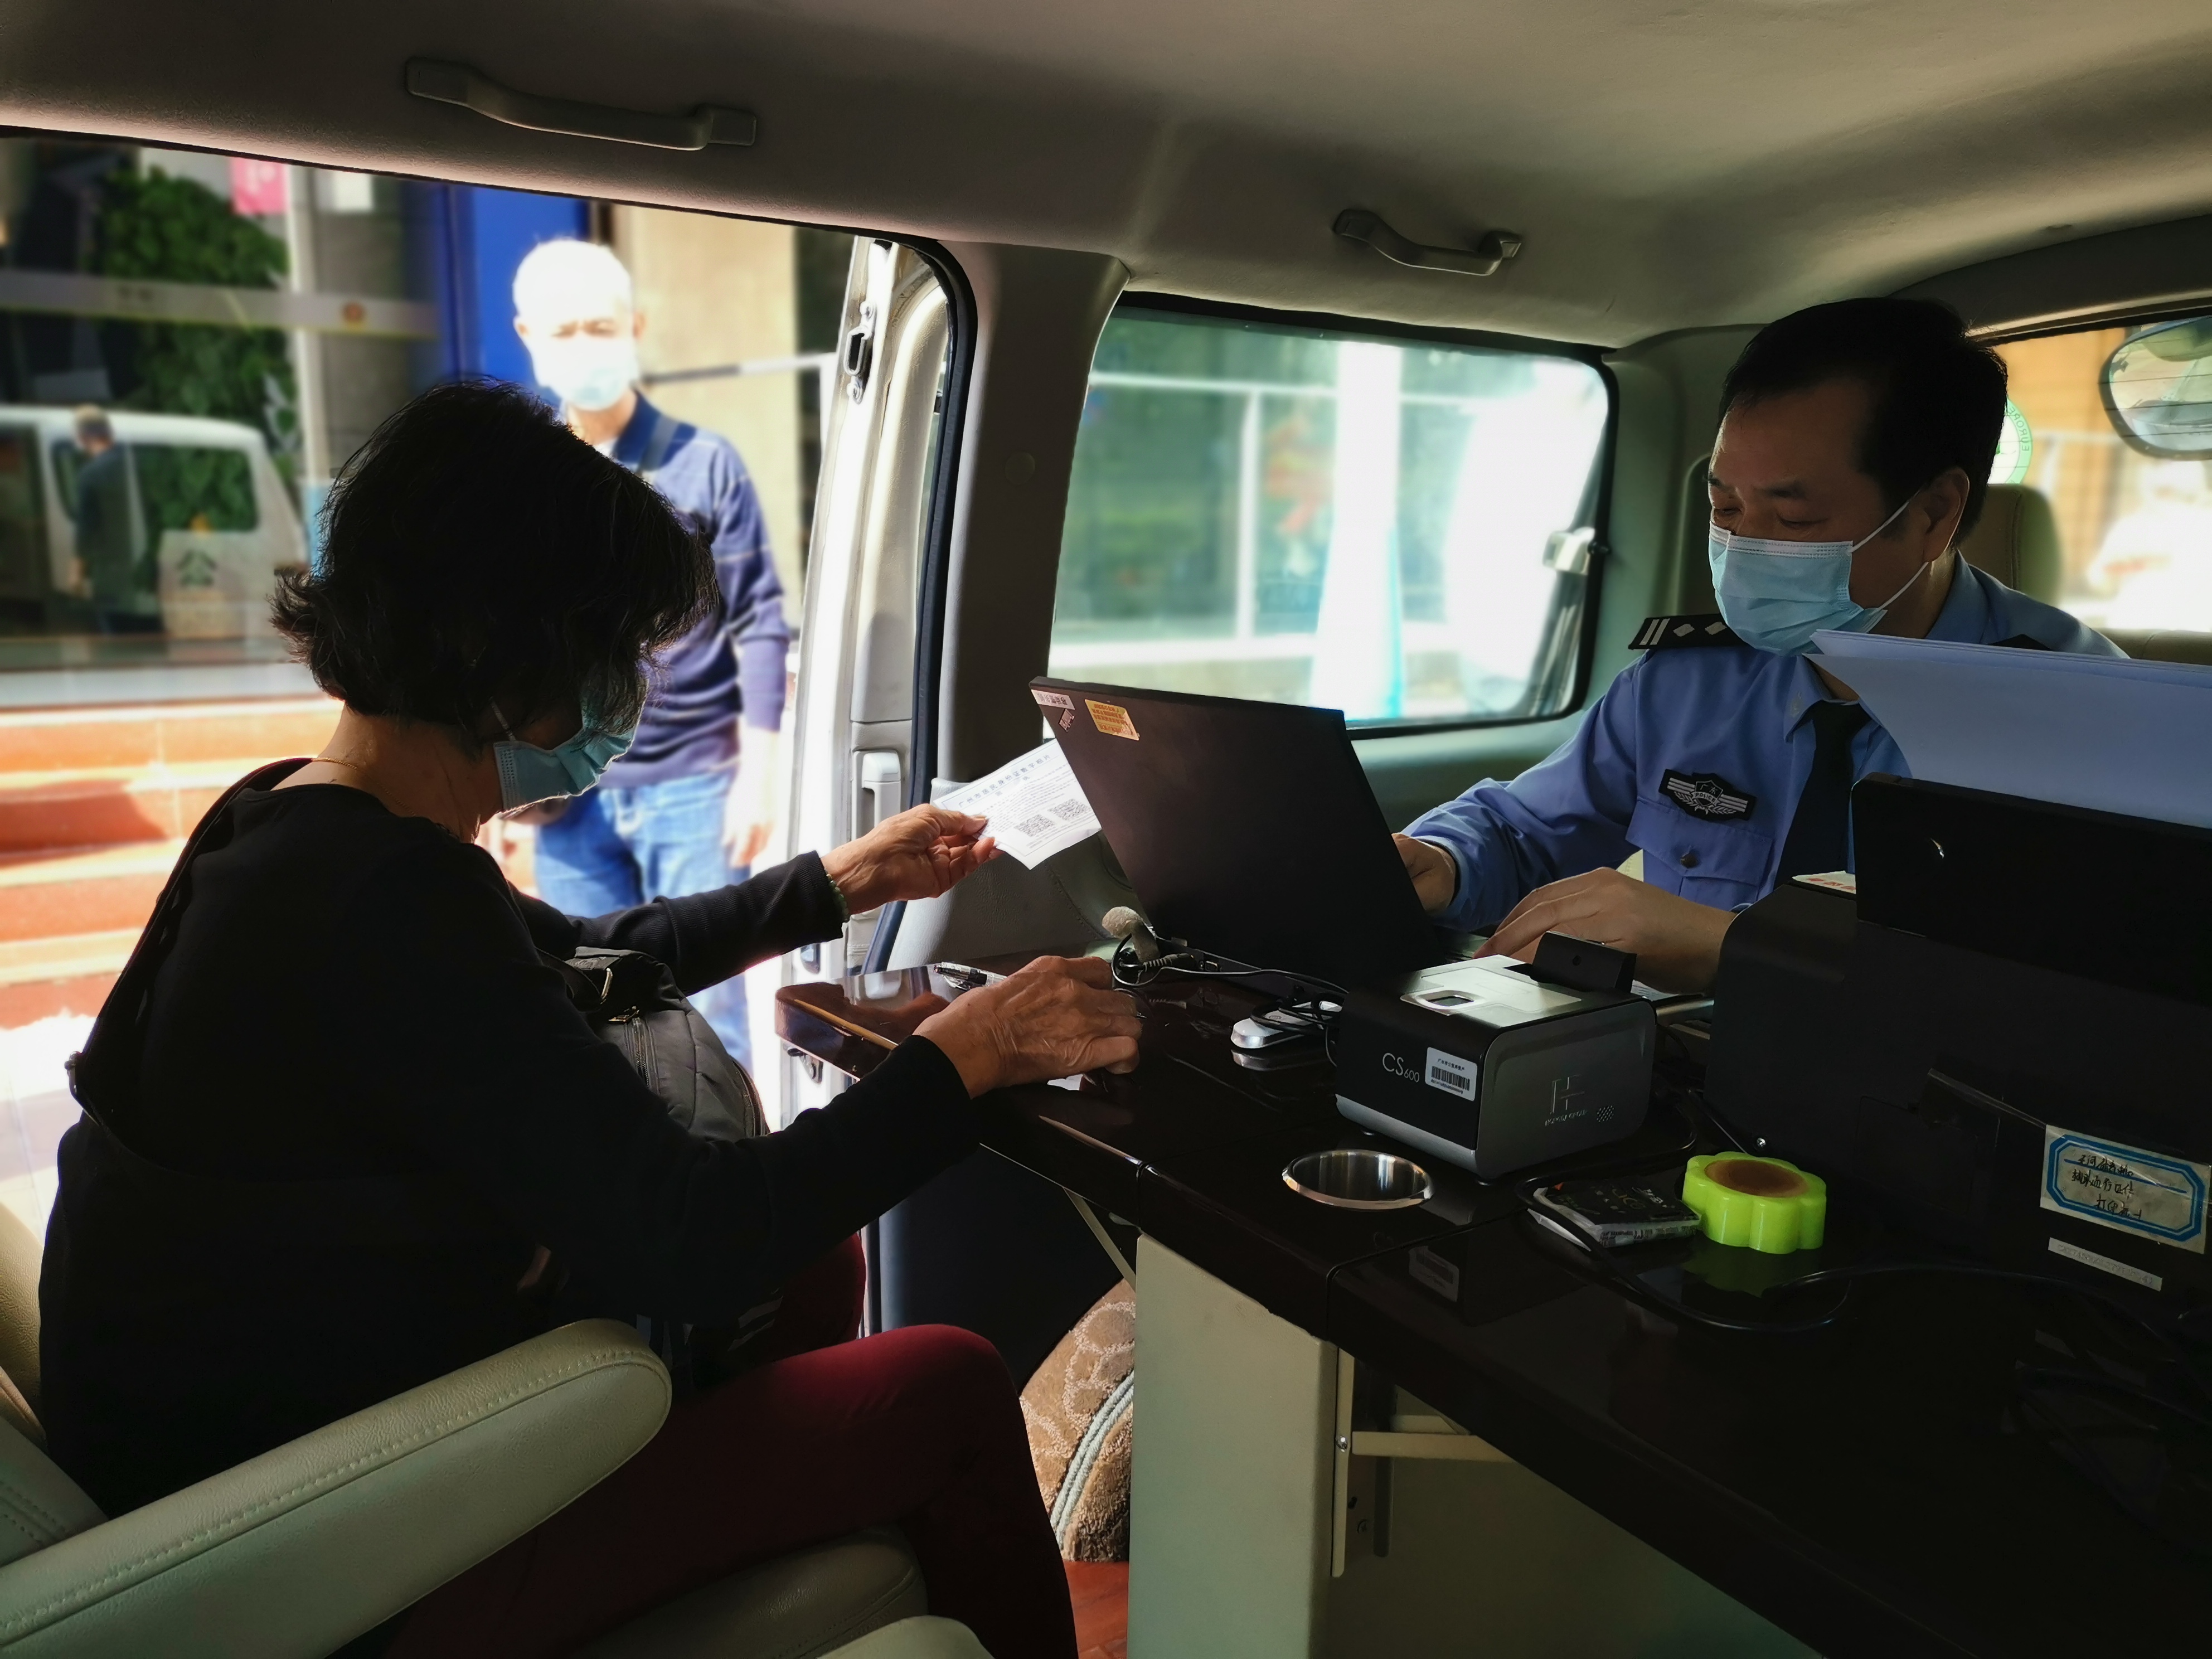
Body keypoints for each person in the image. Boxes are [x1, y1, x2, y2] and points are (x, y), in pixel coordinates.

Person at [39, 382, 1139, 1659]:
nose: (628, 689)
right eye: (615, 649)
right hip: (326, 1536)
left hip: (263, 1419)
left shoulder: (291, 822)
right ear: (505, 652)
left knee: (812, 1272)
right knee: (944, 1383)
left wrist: (836, 883)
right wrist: (968, 1055)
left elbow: (574, 961)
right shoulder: (388, 901)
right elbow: (695, 1240)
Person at [1393, 299, 2121, 992]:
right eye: (1724, 507)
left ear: (1933, 513)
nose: (1742, 546)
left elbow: (2060, 987)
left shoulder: (2083, 716)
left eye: (1793, 520)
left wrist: (1740, 950)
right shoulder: (1688, 684)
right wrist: (1441, 860)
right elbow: (1526, 831)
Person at [511, 237, 788, 1070]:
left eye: (600, 326)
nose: (583, 346)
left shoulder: (705, 464)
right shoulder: (525, 480)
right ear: (527, 337)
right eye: (563, 331)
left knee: (708, 1017)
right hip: (563, 794)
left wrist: (757, 773)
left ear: (635, 326)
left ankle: (731, 1155)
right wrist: (499, 791)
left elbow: (761, 618)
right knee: (588, 1018)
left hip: (691, 784)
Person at [66, 406, 152, 633]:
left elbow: (86, 529)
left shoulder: (90, 474)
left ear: (83, 438)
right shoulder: (137, 461)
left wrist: (76, 574)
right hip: (148, 570)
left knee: (117, 642)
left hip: (112, 576)